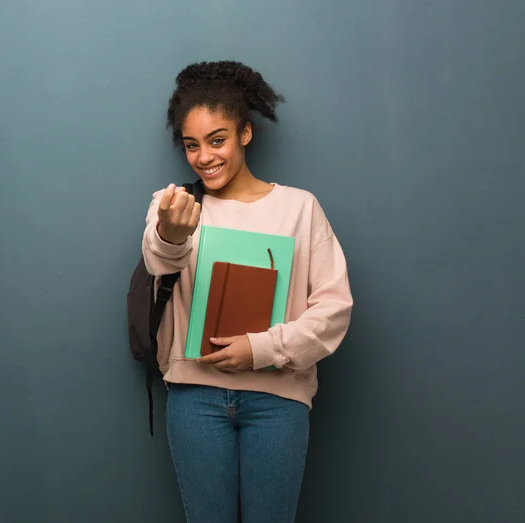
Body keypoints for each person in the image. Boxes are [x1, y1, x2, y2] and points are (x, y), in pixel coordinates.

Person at [142, 60, 353, 523]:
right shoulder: (175, 204)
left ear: (245, 134)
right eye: (191, 145)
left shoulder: (300, 208)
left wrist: (260, 348)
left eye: (217, 140)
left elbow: (334, 309)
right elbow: (160, 259)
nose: (204, 156)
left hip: (277, 399)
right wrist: (171, 232)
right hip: (194, 397)